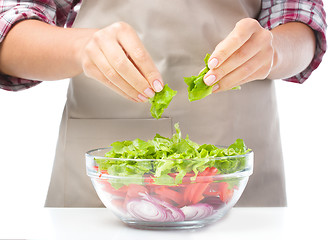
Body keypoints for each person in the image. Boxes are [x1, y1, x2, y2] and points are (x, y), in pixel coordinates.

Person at [0, 0, 327, 207]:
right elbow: (8, 35)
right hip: (109, 179)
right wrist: (81, 48)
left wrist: (274, 51)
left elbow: (302, 24)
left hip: (237, 170)